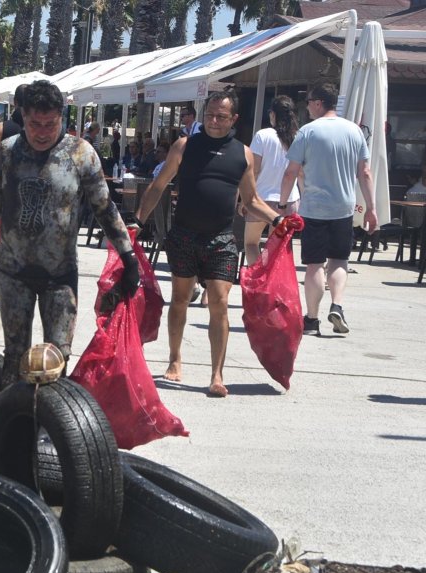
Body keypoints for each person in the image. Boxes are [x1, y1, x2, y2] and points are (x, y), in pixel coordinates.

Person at [0, 80, 140, 387]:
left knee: (56, 359)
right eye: (35, 124)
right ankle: (13, 426)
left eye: (51, 124)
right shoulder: (7, 154)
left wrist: (128, 257)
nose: (43, 132)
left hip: (59, 274)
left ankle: (50, 425)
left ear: (63, 117)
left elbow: (105, 208)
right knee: (15, 357)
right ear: (23, 116)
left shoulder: (81, 154)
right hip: (13, 271)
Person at [137, 90, 284, 397]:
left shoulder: (242, 154)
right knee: (180, 298)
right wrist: (138, 220)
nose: (214, 121)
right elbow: (158, 185)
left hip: (221, 238)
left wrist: (277, 219)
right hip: (184, 234)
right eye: (210, 115)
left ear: (234, 119)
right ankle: (175, 358)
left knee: (219, 302)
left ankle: (217, 374)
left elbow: (252, 200)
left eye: (221, 116)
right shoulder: (184, 146)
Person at [279, 82, 377, 337]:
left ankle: (312, 319)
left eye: (310, 102)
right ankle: (337, 305)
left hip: (313, 208)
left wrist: (281, 204)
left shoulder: (308, 132)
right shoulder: (354, 131)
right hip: (343, 208)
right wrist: (371, 208)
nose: (308, 106)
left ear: (319, 103)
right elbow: (365, 173)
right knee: (339, 260)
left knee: (314, 265)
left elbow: (291, 172)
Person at [245, 95, 301, 265]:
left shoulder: (263, 135)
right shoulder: (298, 137)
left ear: (273, 114)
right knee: (275, 247)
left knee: (250, 243)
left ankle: (258, 278)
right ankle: (270, 280)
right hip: (290, 199)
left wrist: (245, 199)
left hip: (261, 198)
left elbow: (253, 170)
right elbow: (301, 173)